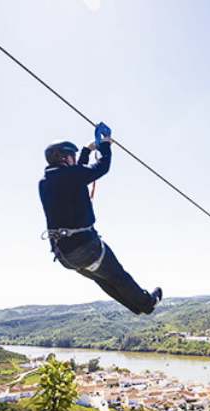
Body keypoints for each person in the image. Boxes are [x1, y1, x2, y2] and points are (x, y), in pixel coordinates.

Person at [38, 122, 162, 315]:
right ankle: (147, 302)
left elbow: (77, 174)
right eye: (72, 156)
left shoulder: (46, 182)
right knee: (118, 275)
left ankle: (138, 307)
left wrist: (86, 151)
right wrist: (105, 144)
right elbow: (101, 168)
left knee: (103, 278)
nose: (73, 159)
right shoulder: (69, 176)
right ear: (64, 157)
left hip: (65, 255)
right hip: (85, 247)